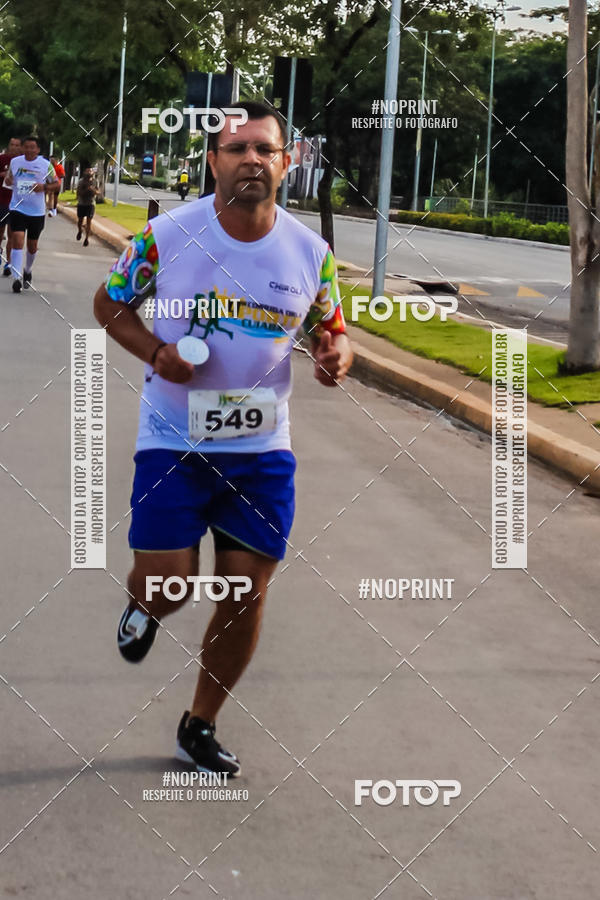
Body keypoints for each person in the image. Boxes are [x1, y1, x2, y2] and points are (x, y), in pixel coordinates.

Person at [93, 101, 352, 777]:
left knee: (242, 596)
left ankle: (199, 724)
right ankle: (146, 604)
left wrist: (336, 355)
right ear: (213, 161)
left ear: (286, 162)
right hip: (172, 441)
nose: (251, 160)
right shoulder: (166, 235)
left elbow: (332, 327)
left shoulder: (311, 253)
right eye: (237, 149)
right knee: (170, 585)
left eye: (265, 149)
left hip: (261, 452)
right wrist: (156, 352)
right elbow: (110, 303)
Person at [4, 136, 57, 293]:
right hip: (17, 207)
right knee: (17, 239)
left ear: (38, 149)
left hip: (36, 211)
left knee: (32, 246)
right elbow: (9, 179)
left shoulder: (45, 165)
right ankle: (16, 277)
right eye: (26, 147)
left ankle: (27, 270)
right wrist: (8, 181)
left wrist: (44, 187)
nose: (29, 150)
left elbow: (56, 184)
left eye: (32, 147)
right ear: (22, 148)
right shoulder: (15, 162)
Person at [0, 137, 22, 277]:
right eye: (12, 144)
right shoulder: (2, 159)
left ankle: (9, 262)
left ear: (21, 147)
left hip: (16, 202)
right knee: (0, 231)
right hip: (2, 200)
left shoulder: (22, 162)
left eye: (17, 145)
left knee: (12, 234)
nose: (14, 147)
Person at [75, 167, 98, 246]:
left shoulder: (95, 181)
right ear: (84, 172)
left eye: (90, 171)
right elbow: (78, 192)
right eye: (87, 171)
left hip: (91, 203)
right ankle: (80, 230)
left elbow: (98, 191)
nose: (89, 173)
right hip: (82, 203)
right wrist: (86, 190)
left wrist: (93, 191)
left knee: (89, 221)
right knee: (80, 220)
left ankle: (87, 238)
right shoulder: (81, 181)